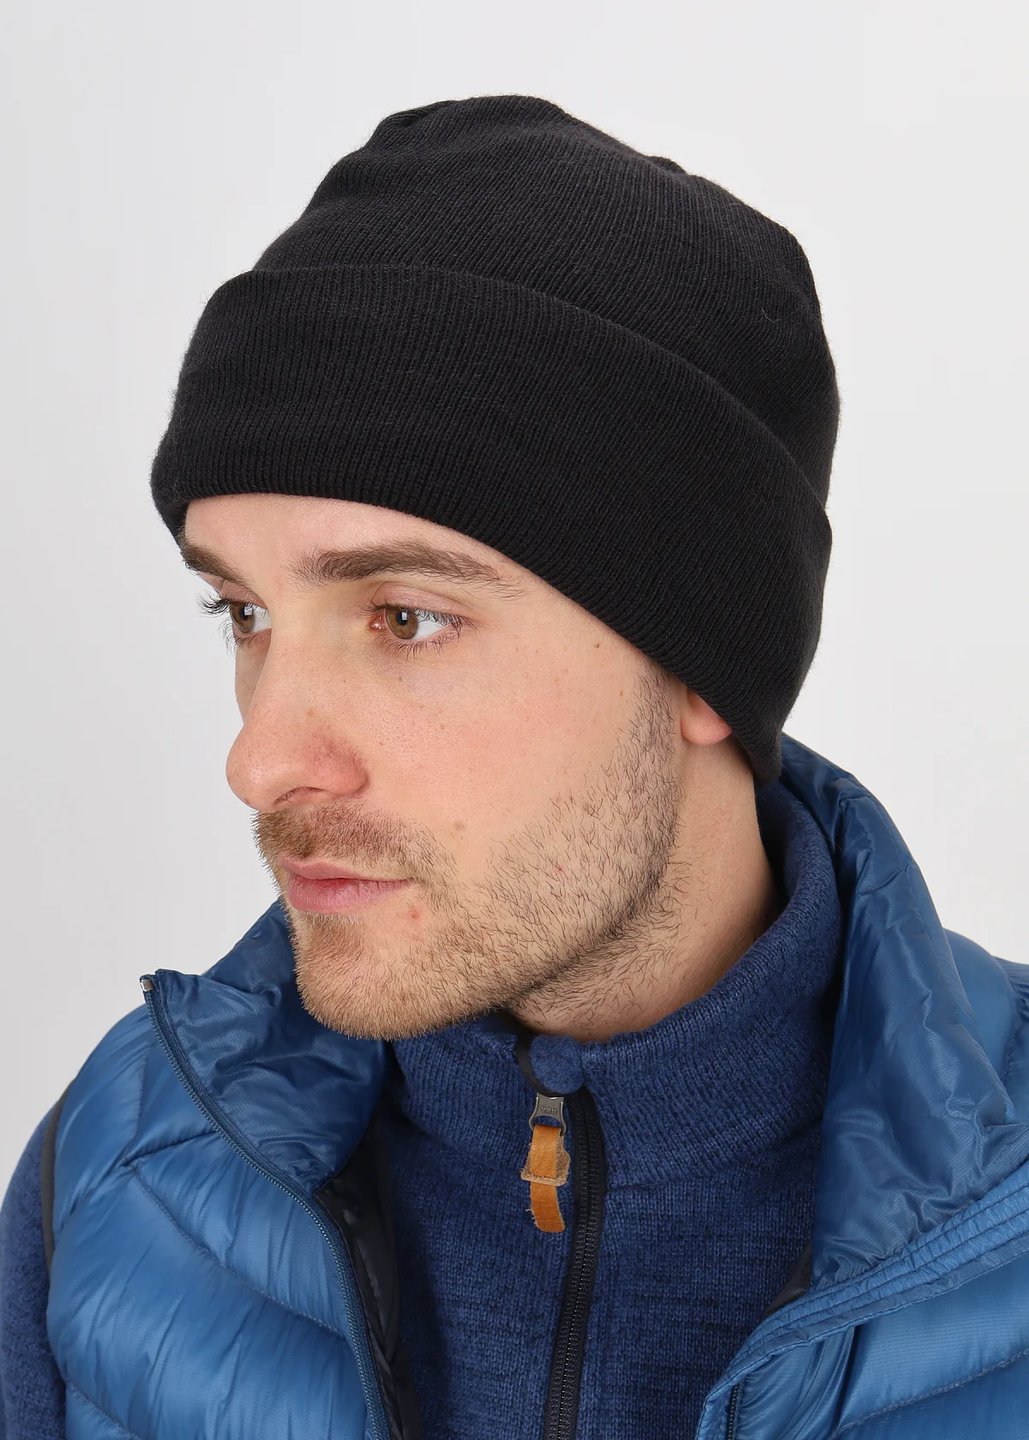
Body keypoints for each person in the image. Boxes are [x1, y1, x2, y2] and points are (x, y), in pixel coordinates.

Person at [1, 93, 1027, 1440]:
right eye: (242, 612)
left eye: (404, 619)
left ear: (700, 661)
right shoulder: (125, 1171)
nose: (261, 759)